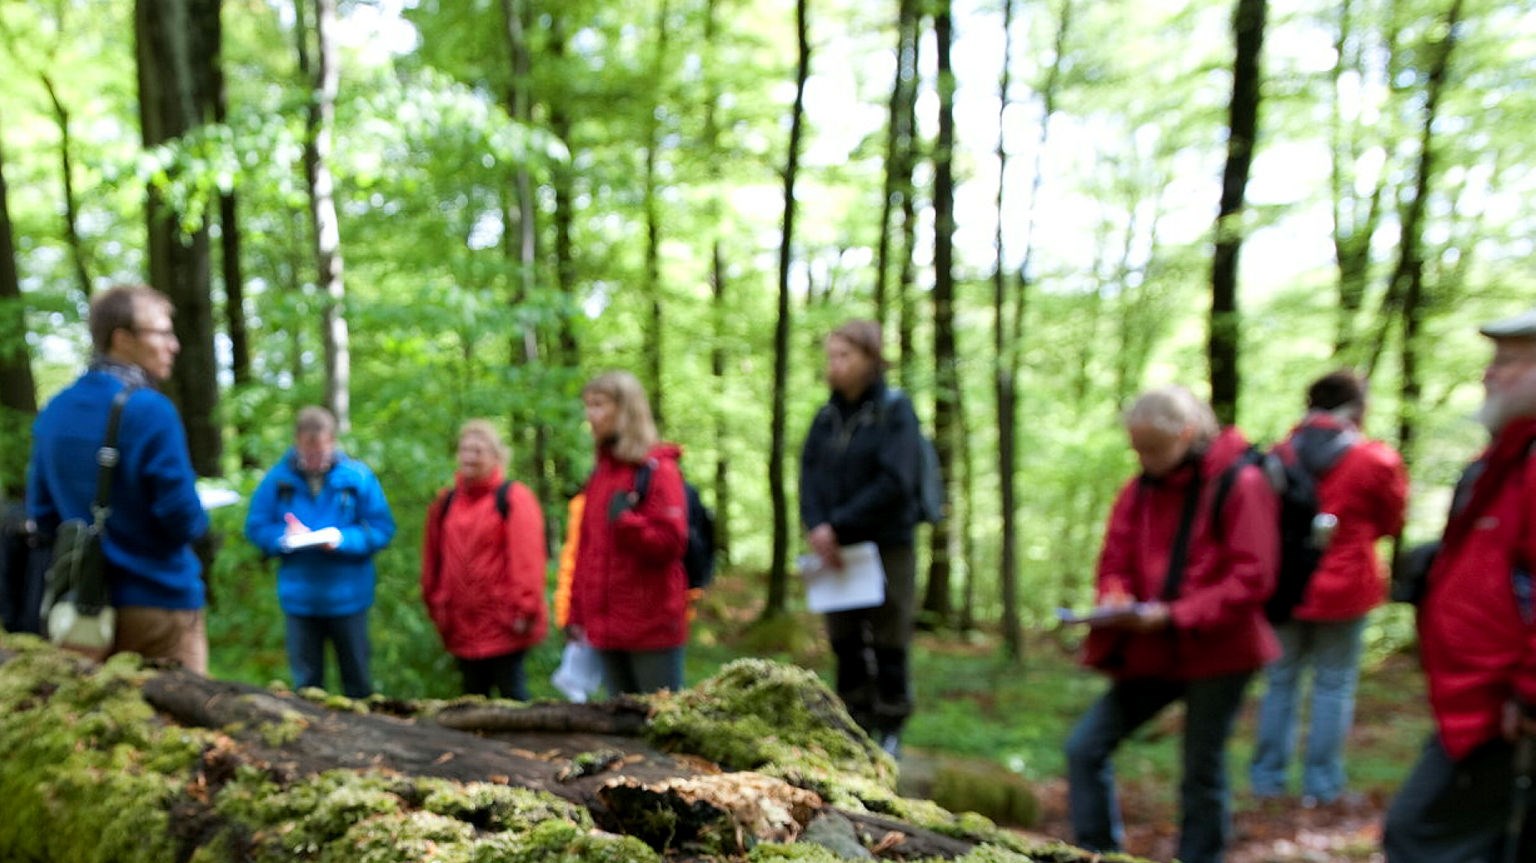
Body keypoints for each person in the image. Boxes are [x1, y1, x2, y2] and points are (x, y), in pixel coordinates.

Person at [1066, 385, 1279, 863]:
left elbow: (1252, 578)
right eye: (1137, 449)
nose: (1144, 459)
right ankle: (1098, 854)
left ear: (1187, 434)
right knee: (1085, 747)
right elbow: (1113, 559)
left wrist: (1176, 614)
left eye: (1154, 449)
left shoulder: (1241, 483)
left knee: (1201, 770)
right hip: (1152, 650)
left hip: (1221, 651)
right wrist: (1115, 595)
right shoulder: (1137, 489)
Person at [1382, 308, 1536, 862]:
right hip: (1484, 703)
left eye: (1512, 363)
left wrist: (1529, 693)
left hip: (1507, 709)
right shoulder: (1504, 459)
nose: (1490, 375)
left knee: (1421, 832)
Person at [26, 283, 211, 671]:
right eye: (161, 333)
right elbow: (182, 520)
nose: (173, 345)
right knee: (182, 726)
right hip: (159, 607)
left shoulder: (55, 411)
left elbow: (42, 515)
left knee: (88, 727)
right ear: (122, 338)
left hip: (82, 613)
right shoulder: (149, 410)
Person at [1250, 370, 1409, 807]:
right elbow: (1392, 522)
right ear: (1358, 407)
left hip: (1287, 587)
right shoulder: (1375, 459)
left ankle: (1267, 781)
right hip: (1346, 587)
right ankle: (1321, 787)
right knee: (1333, 685)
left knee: (1280, 682)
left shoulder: (1279, 454)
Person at [798, 319, 924, 756]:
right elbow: (808, 475)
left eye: (844, 356)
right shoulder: (826, 417)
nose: (834, 365)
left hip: (885, 544)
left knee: (889, 637)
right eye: (830, 356)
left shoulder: (894, 412)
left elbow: (896, 481)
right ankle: (852, 723)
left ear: (870, 359)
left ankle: (890, 726)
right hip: (835, 550)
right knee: (844, 639)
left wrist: (842, 524)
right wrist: (817, 526)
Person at [244, 406, 395, 698]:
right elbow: (256, 527)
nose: (315, 460)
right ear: (297, 442)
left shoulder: (357, 478)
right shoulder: (278, 480)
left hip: (348, 599)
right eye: (308, 453)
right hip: (300, 601)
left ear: (333, 442)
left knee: (358, 682)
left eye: (321, 452)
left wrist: (342, 540)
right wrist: (282, 537)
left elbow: (381, 529)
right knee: (308, 688)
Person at [566, 371, 689, 695]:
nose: (590, 415)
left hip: (651, 627)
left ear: (625, 410)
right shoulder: (601, 474)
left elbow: (672, 542)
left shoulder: (657, 470)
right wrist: (577, 612)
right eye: (588, 405)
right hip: (606, 629)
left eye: (599, 405)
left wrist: (627, 524)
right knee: (620, 726)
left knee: (661, 724)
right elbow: (587, 549)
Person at [421, 420, 547, 699]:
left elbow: (527, 559)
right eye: (465, 450)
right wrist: (435, 602)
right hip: (460, 622)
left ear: (496, 457)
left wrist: (525, 608)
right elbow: (432, 559)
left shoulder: (514, 498)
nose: (469, 457)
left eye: (478, 450)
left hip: (503, 622)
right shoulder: (446, 502)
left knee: (512, 697)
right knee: (471, 698)